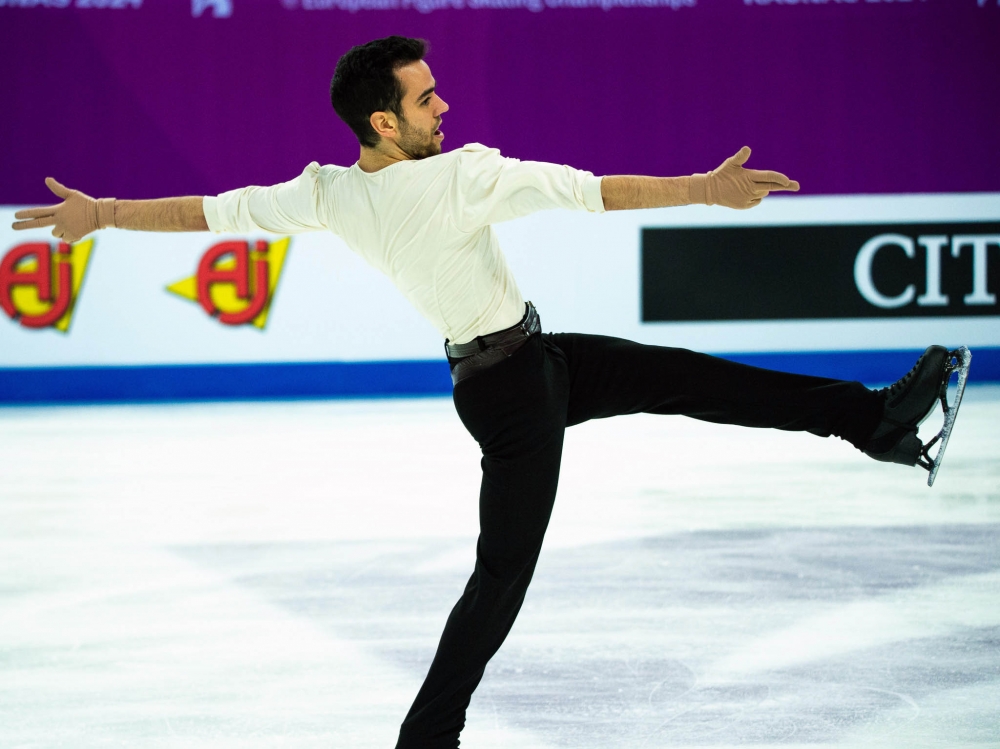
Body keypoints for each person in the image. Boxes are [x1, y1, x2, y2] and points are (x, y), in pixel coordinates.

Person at [12, 35, 961, 749]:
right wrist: (704, 192)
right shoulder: (461, 179)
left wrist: (102, 216)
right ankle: (429, 734)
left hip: (526, 365)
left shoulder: (329, 193)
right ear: (383, 120)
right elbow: (593, 192)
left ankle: (871, 419)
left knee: (688, 377)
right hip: (513, 393)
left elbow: (209, 213)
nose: (444, 105)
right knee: (501, 572)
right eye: (426, 98)